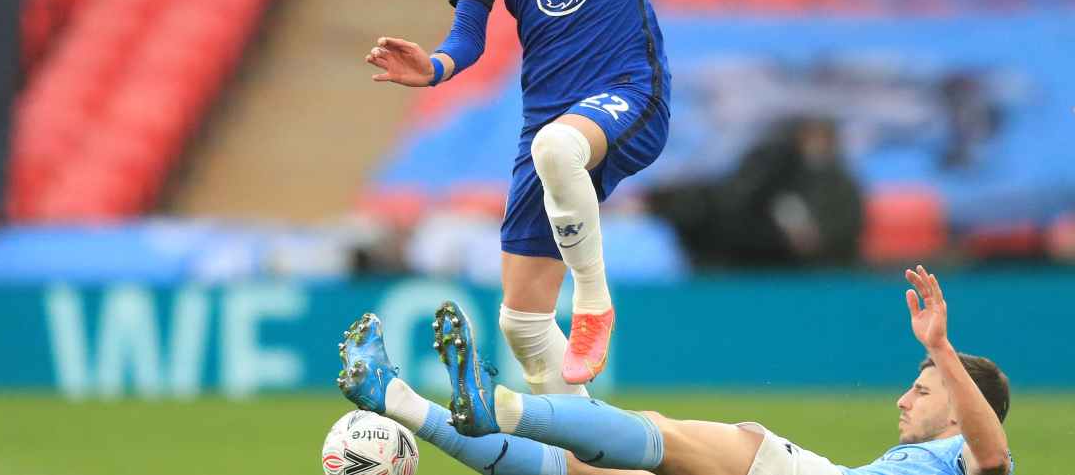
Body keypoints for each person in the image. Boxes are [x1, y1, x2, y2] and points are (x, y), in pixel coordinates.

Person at [364, 0, 814, 388]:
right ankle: (590, 445)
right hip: (546, 114)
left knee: (557, 148)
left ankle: (594, 305)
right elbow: (470, 28)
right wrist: (436, 66)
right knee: (520, 324)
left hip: (631, 90)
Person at [337, 264, 1013, 475]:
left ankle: (504, 406)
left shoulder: (963, 453)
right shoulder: (914, 459)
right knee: (587, 470)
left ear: (959, 408)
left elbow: (997, 458)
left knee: (660, 431)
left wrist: (945, 353)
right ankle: (394, 398)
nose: (903, 399)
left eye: (922, 389)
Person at [648, 116, 864, 267]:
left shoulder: (841, 185)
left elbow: (844, 231)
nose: (813, 145)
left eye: (820, 138)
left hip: (822, 275)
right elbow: (735, 202)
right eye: (808, 137)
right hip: (759, 266)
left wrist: (817, 239)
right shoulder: (775, 172)